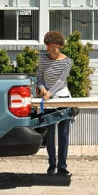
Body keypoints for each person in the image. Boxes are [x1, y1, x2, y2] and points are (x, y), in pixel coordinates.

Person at [37, 31, 75, 176]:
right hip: (47, 99)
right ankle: (52, 164)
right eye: (48, 47)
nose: (50, 50)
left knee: (64, 133)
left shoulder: (68, 62)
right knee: (50, 133)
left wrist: (50, 92)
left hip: (62, 97)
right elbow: (39, 78)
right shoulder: (43, 59)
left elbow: (61, 81)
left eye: (53, 48)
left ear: (59, 47)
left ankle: (62, 166)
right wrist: (42, 89)